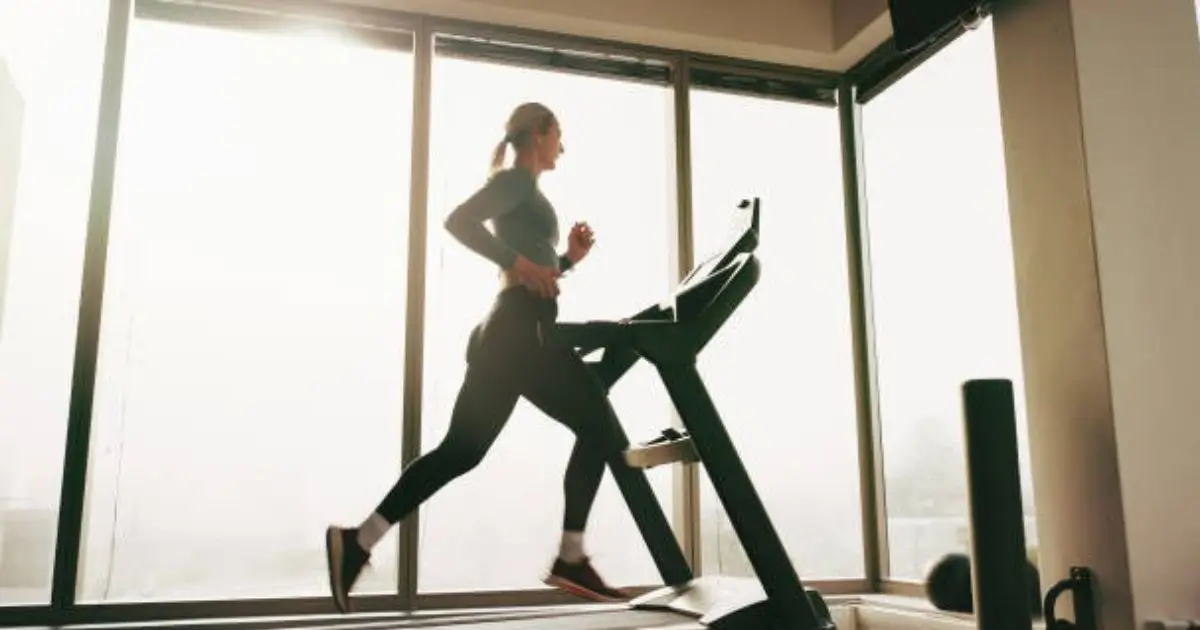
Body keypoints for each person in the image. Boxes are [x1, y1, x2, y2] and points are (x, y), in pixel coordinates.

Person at [325, 102, 631, 614]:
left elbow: (534, 271)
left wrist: (567, 262)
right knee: (600, 426)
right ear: (539, 134)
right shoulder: (516, 181)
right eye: (560, 135)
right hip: (519, 332)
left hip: (508, 332)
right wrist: (517, 261)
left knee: (462, 450)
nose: (563, 146)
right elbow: (458, 221)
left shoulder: (525, 192)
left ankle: (358, 542)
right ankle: (571, 557)